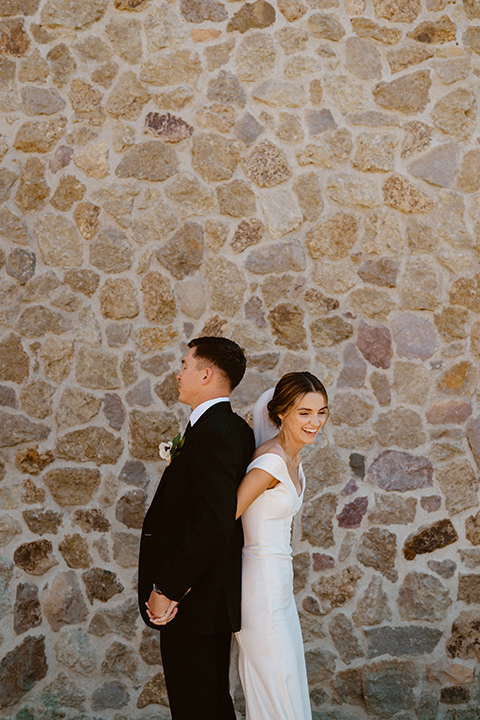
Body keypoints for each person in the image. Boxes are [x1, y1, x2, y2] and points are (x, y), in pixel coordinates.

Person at [138, 336, 255, 720]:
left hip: (193, 600)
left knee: (198, 708)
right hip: (198, 598)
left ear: (206, 374)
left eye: (185, 365)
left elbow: (212, 521)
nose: (178, 372)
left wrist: (168, 588)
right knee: (203, 704)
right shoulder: (219, 427)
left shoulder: (218, 431)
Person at [235, 372, 329, 720]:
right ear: (282, 413)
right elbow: (224, 515)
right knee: (275, 683)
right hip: (260, 590)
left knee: (287, 681)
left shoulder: (294, 459)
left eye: (321, 412)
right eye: (304, 413)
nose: (315, 422)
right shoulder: (271, 462)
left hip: (279, 588)